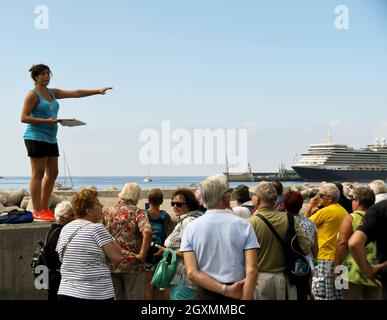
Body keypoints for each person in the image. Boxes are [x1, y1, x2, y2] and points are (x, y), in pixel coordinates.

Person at [21, 64, 112, 221]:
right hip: (35, 136)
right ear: (36, 77)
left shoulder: (52, 92)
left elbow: (75, 93)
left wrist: (97, 91)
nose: (47, 76)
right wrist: (45, 121)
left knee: (53, 173)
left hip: (50, 137)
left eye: (48, 73)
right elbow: (24, 117)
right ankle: (36, 210)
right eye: (43, 74)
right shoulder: (32, 95)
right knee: (38, 173)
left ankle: (44, 208)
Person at [181, 174, 259, 300]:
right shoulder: (244, 225)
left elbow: (192, 273)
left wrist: (225, 290)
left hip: (205, 293)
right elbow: (252, 270)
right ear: (225, 197)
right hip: (239, 290)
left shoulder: (191, 228)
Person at [56, 189, 122, 301]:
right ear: (88, 211)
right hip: (94, 293)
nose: (102, 206)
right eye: (97, 204)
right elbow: (117, 256)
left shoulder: (65, 229)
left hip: (66, 292)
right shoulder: (96, 229)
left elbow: (62, 257)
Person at [249, 182, 310, 300]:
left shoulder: (250, 223)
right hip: (286, 279)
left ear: (257, 200)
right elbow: (306, 249)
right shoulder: (290, 219)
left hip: (260, 281)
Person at [104, 183, 152, 300]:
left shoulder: (107, 212)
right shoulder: (138, 213)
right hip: (133, 265)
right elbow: (148, 232)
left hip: (112, 263)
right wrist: (142, 255)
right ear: (136, 197)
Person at [154, 189, 202, 300]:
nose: (175, 206)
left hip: (184, 278)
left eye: (179, 204)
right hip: (180, 277)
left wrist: (167, 251)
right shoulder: (188, 219)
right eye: (173, 203)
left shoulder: (188, 222)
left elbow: (192, 253)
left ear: (189, 204)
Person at [335, 187, 380, 300]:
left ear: (358, 202)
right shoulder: (379, 218)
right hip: (374, 270)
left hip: (351, 271)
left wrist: (336, 266)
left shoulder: (351, 218)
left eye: (353, 199)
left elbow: (342, 242)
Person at [304, 183, 348, 300]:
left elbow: (304, 226)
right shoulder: (343, 211)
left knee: (322, 296)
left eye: (321, 195)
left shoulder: (325, 212)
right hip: (342, 260)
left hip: (325, 260)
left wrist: (309, 207)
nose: (318, 197)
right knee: (341, 295)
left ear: (330, 198)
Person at [349, 199, 387, 300]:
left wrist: (368, 270)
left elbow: (353, 243)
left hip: (355, 271)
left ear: (357, 202)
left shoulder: (380, 208)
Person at [283, 190, 318, 300]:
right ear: (301, 205)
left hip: (288, 264)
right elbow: (315, 248)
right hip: (307, 264)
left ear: (284, 205)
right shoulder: (309, 223)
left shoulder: (282, 221)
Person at [144, 188, 172, 300]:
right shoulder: (164, 216)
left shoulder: (144, 214)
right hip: (161, 251)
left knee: (148, 284)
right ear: (161, 202)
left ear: (148, 200)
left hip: (148, 252)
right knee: (164, 283)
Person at [45, 200, 75, 301]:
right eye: (72, 215)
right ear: (62, 218)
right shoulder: (61, 233)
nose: (75, 218)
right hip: (59, 278)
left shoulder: (52, 230)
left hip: (52, 276)